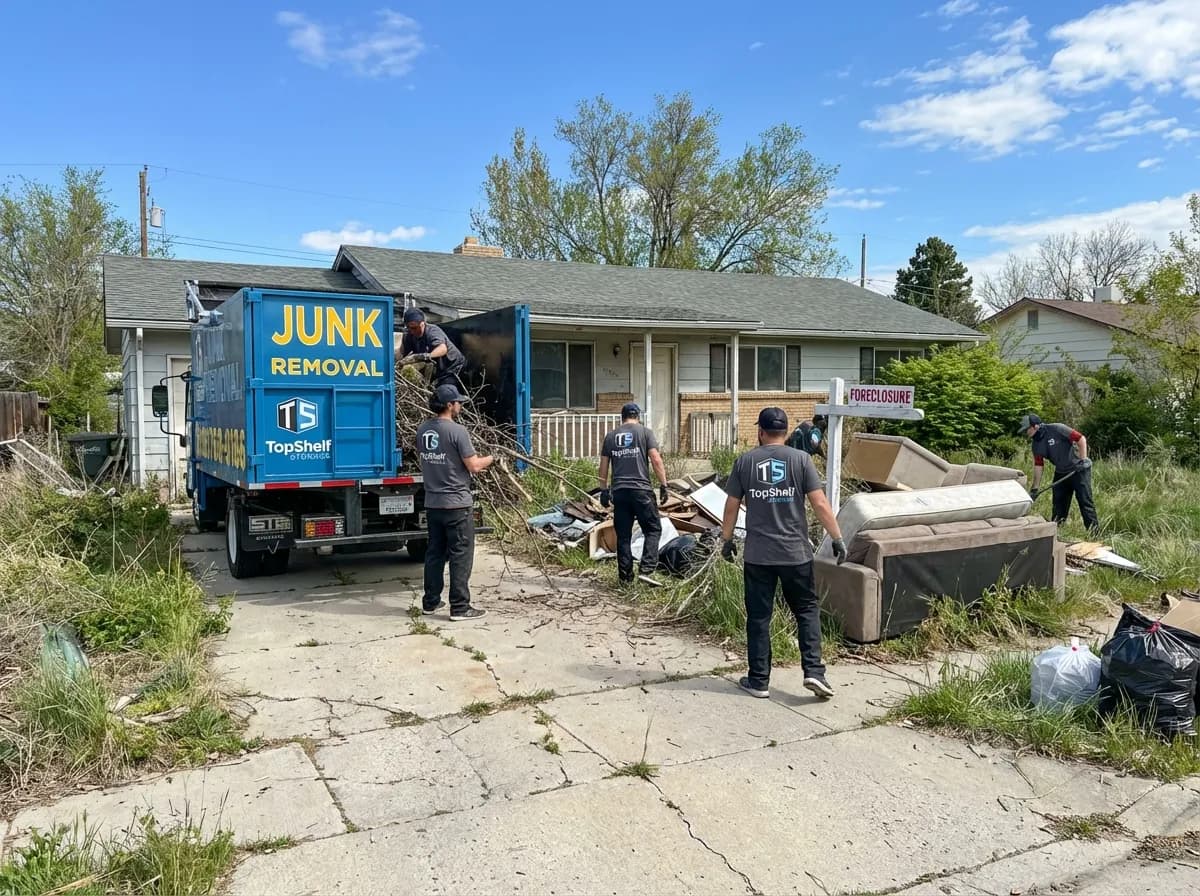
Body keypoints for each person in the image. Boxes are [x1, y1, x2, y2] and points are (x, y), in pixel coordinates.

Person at [720, 407, 847, 701]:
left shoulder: (746, 462)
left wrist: (726, 540)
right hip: (795, 554)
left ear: (761, 432)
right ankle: (814, 671)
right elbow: (819, 503)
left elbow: (730, 506)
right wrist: (837, 538)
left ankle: (759, 680)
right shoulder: (801, 460)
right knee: (806, 611)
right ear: (787, 432)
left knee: (759, 617)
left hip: (759, 556)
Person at [417, 383, 493, 621]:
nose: (460, 405)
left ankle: (430, 602)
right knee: (461, 554)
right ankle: (460, 607)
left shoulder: (422, 430)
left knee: (435, 553)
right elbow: (474, 466)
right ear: (449, 405)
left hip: (433, 503)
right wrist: (493, 457)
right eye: (458, 402)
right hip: (457, 504)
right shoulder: (457, 431)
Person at [597, 402, 671, 585]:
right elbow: (656, 459)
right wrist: (664, 485)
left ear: (622, 417)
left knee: (623, 536)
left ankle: (625, 578)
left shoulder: (611, 437)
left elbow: (603, 467)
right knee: (653, 529)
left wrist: (604, 490)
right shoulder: (645, 433)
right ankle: (646, 570)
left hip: (620, 492)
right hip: (641, 491)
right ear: (638, 416)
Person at [1019, 413, 1099, 534]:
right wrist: (1035, 488)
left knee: (1085, 502)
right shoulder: (1036, 445)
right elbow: (1039, 465)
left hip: (1078, 470)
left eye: (1027, 429)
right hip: (1061, 473)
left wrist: (1083, 460)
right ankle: (1057, 534)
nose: (1026, 433)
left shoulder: (1057, 428)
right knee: (1058, 505)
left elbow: (1081, 439)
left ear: (1035, 426)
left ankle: (1095, 534)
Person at [398, 308, 467, 389]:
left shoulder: (432, 331)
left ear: (423, 324)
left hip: (452, 367)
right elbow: (402, 354)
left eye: (415, 328)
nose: (412, 331)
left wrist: (424, 356)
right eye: (409, 328)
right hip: (436, 369)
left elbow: (442, 349)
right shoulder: (409, 334)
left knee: (446, 390)